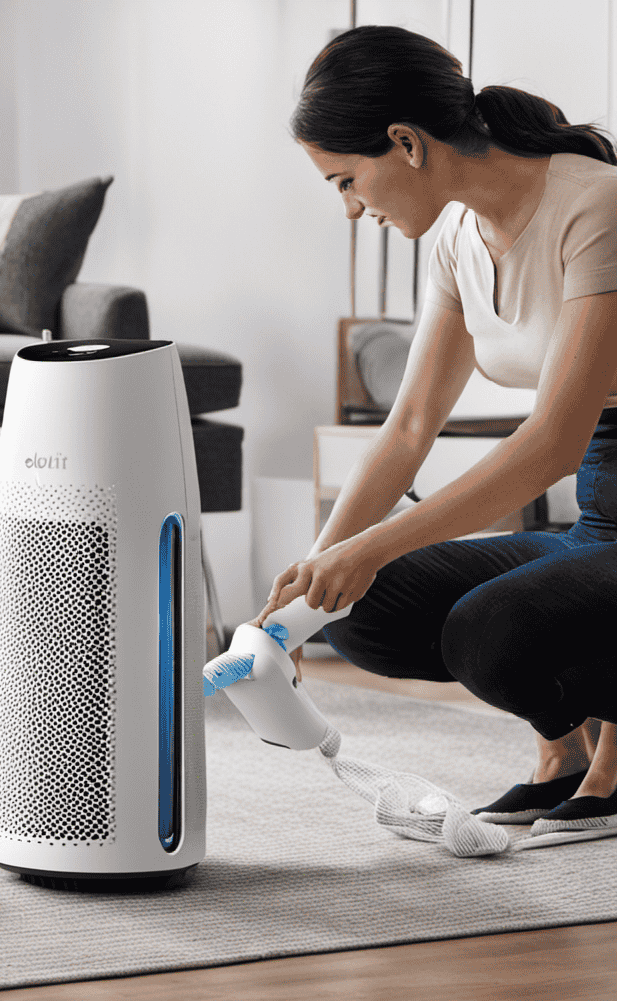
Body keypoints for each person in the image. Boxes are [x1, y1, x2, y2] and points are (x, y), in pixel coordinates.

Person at [251, 25, 617, 839]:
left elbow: (552, 443)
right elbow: (411, 424)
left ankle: (615, 764)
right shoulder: (457, 238)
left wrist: (370, 545)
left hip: (597, 484)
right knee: (361, 610)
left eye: (347, 181)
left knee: (490, 631)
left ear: (406, 143)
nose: (352, 208)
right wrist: (319, 569)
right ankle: (560, 753)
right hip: (601, 517)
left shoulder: (596, 206)